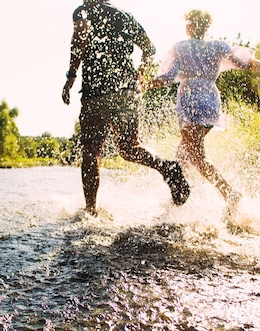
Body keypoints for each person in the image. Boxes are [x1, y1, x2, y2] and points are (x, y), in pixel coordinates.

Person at [145, 9, 260, 207]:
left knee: (196, 156)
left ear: (190, 26)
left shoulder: (181, 47)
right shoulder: (218, 47)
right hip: (210, 100)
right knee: (184, 151)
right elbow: (247, 64)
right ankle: (176, 198)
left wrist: (143, 83)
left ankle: (228, 192)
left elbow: (166, 78)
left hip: (191, 100)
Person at [61, 0, 189, 216]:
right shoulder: (125, 16)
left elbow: (79, 44)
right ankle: (168, 168)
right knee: (130, 147)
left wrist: (70, 78)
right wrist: (139, 76)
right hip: (126, 91)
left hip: (96, 92)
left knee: (91, 151)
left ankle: (90, 211)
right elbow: (150, 49)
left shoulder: (83, 11)